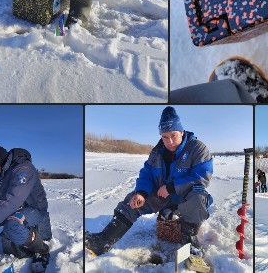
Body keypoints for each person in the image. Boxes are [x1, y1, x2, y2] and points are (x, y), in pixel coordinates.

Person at [84, 107, 214, 258]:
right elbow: (146, 174)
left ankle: (192, 244)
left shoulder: (197, 148)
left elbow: (202, 177)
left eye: (173, 135)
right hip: (162, 196)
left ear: (182, 132)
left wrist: (172, 187)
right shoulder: (156, 152)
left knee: (197, 198)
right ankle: (103, 241)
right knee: (132, 201)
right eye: (165, 137)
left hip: (186, 196)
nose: (170, 141)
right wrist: (141, 193)